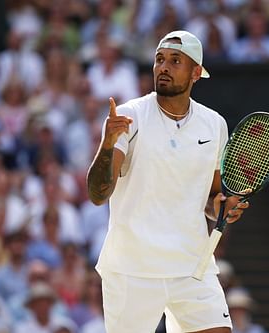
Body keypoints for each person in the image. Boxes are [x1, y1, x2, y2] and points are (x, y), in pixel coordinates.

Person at [86, 30, 249, 333]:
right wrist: (107, 145)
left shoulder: (215, 124)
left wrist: (223, 208)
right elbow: (98, 193)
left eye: (176, 61)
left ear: (196, 73)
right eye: (160, 59)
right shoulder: (128, 115)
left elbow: (211, 200)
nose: (164, 67)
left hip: (191, 268)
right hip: (132, 269)